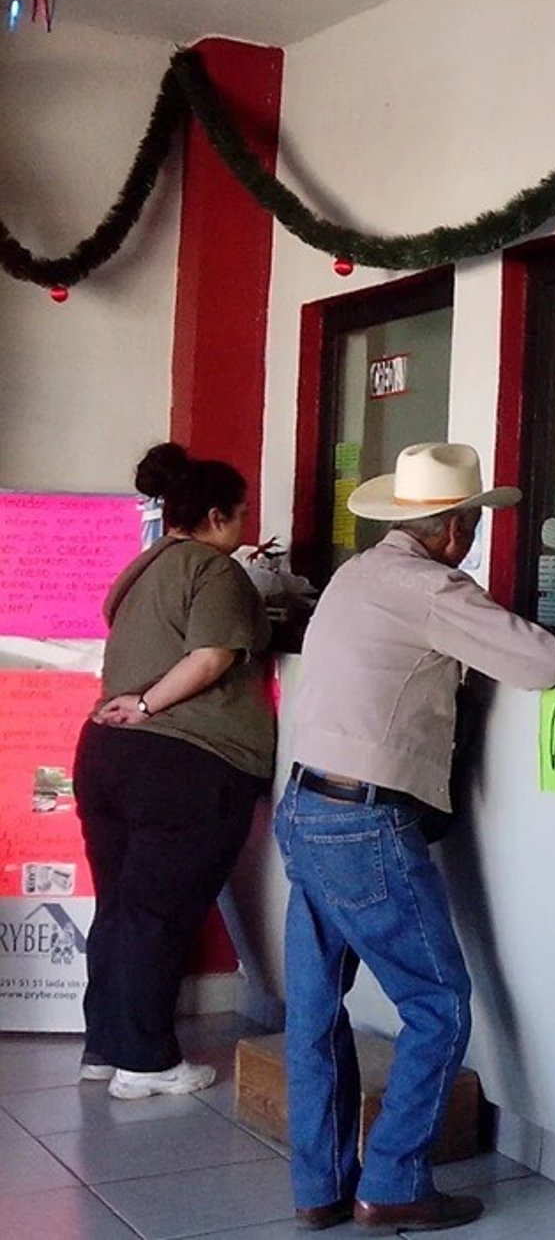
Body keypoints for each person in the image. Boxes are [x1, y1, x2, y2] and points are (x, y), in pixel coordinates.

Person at [276, 442, 555, 1233]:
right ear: (453, 527)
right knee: (437, 1003)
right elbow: (544, 661)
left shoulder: (357, 574)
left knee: (312, 1011)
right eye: (469, 524)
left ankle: (320, 1186)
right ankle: (395, 1181)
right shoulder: (431, 586)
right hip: (363, 822)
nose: (471, 537)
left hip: (303, 806)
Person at [73, 442, 273, 1099]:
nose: (244, 527)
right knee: (157, 912)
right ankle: (147, 1062)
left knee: (123, 905)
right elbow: (213, 655)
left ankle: (105, 1046)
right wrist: (151, 702)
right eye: (240, 515)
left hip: (104, 755)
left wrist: (134, 705)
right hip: (182, 760)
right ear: (216, 515)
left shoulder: (138, 570)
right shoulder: (214, 571)